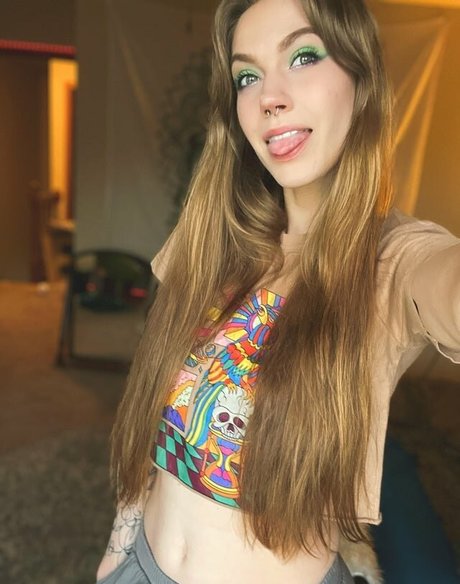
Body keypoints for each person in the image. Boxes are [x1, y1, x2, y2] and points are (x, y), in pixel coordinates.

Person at [96, 0, 460, 583]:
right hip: (139, 566)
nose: (270, 96)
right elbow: (155, 407)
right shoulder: (214, 235)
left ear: (361, 78)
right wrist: (118, 550)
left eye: (304, 56)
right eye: (247, 76)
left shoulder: (393, 260)